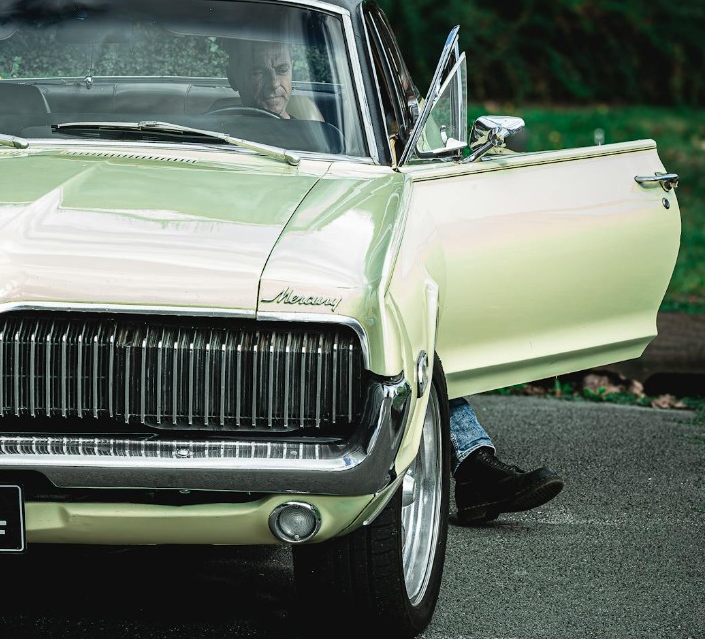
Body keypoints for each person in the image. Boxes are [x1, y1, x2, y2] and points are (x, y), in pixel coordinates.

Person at [223, 37, 565, 524]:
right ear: (235, 79)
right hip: (272, 281)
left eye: (280, 69)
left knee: (411, 328)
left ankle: (470, 466)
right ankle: (465, 467)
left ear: (293, 74)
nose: (272, 83)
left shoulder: (332, 135)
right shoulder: (226, 133)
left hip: (325, 263)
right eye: (257, 73)